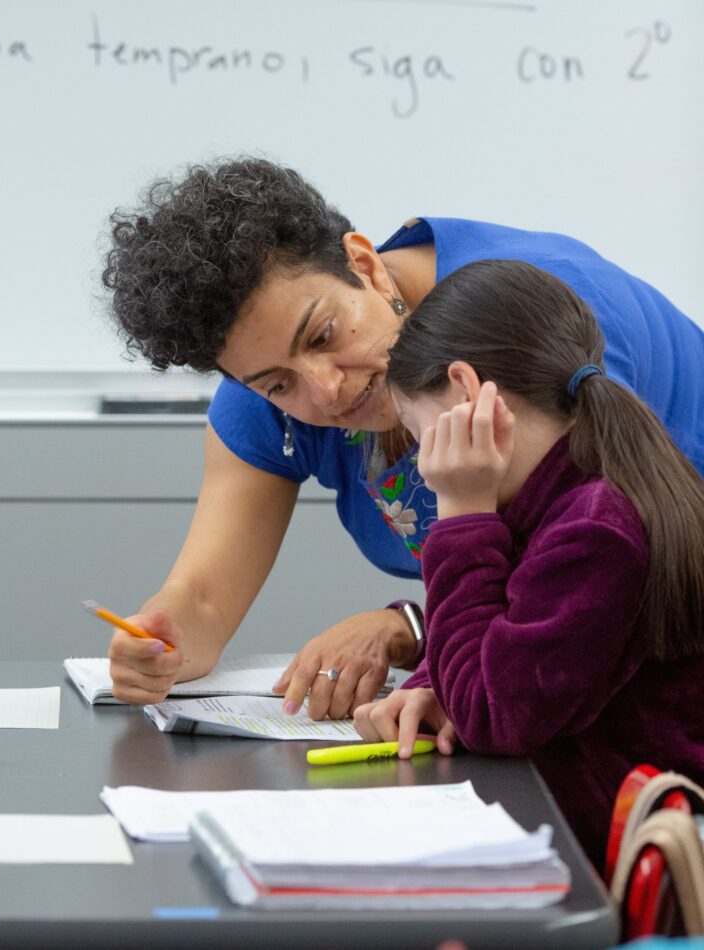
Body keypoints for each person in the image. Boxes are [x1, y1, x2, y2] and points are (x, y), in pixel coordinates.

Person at [100, 157, 704, 719]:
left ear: (364, 262)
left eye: (323, 335)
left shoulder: (528, 320)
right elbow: (203, 599)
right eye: (278, 384)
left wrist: (408, 631)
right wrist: (162, 642)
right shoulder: (268, 401)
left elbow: (574, 594)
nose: (325, 390)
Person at [351, 258, 704, 871]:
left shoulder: (594, 527)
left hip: (601, 865)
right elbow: (498, 639)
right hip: (576, 830)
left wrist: (460, 515)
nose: (417, 459)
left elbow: (495, 712)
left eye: (414, 429)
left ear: (464, 391)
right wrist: (432, 686)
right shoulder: (566, 494)